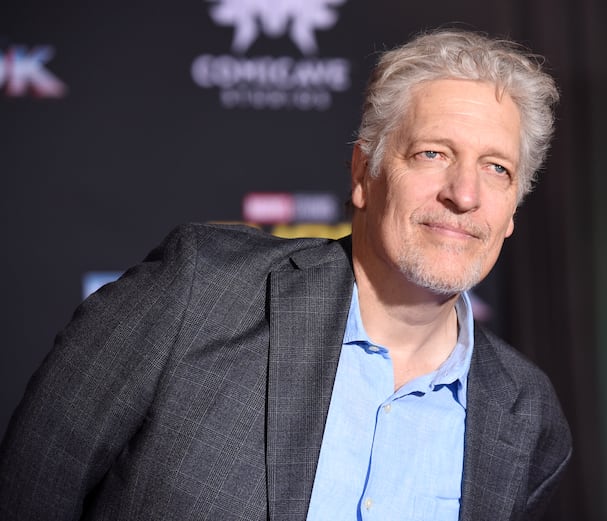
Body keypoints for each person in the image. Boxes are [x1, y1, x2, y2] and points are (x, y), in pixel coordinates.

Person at [0, 28, 571, 520]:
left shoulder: (527, 418)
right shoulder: (197, 294)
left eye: (496, 168)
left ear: (512, 209)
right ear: (362, 173)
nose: (464, 194)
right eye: (433, 154)